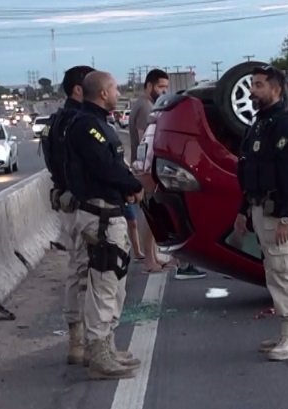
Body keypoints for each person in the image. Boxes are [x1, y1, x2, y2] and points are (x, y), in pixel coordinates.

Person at [63, 70, 143, 379]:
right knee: (103, 284)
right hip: (100, 214)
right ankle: (98, 352)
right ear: (102, 93)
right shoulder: (87, 126)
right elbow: (106, 168)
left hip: (110, 210)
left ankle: (107, 346)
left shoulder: (98, 123)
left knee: (114, 281)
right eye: (114, 88)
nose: (117, 91)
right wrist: (133, 184)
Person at [233, 65, 288, 361]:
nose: (253, 90)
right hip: (259, 208)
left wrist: (286, 217)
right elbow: (249, 170)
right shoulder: (259, 124)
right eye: (253, 84)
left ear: (276, 89)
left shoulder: (285, 126)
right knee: (274, 272)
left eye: (259, 85)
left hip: (278, 213)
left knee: (285, 272)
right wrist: (242, 210)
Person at [38, 64, 95, 367]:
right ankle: (83, 340)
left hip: (66, 202)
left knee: (76, 268)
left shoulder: (55, 122)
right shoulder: (78, 122)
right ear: (78, 89)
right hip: (83, 205)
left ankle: (78, 338)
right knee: (87, 272)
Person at [130, 68, 208, 280]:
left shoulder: (144, 105)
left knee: (153, 213)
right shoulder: (146, 107)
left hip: (145, 168)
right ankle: (149, 260)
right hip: (146, 169)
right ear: (149, 86)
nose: (164, 91)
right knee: (150, 214)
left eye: (166, 87)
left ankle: (153, 257)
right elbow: (145, 139)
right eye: (160, 87)